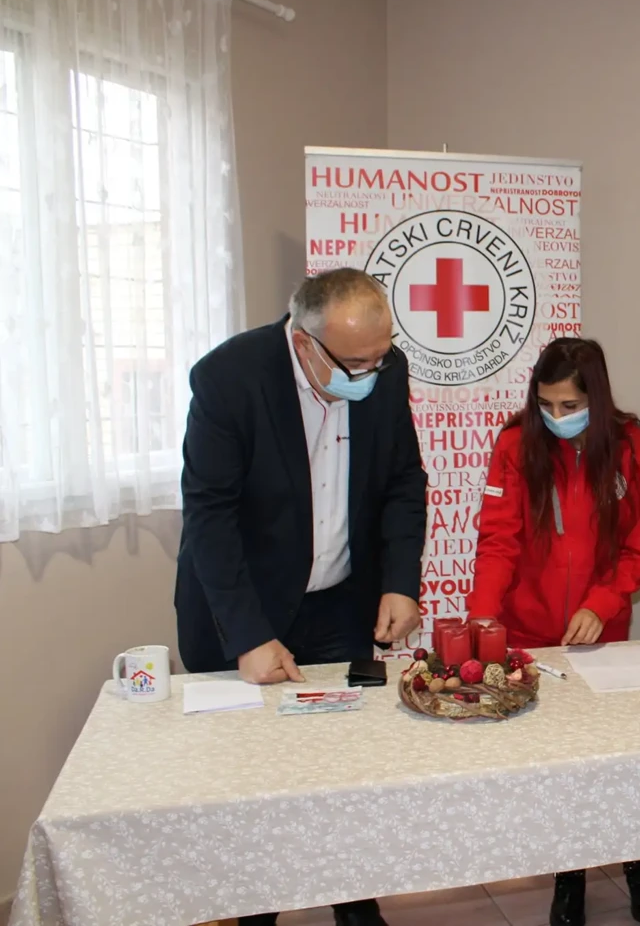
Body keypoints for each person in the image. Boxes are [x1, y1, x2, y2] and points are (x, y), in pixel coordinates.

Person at [176, 268, 427, 926]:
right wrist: (248, 636)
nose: (372, 373)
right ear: (304, 342)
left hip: (339, 603)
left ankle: (356, 903)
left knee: (344, 768)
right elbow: (209, 517)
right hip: (245, 608)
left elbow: (404, 479)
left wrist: (401, 580)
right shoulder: (229, 379)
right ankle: (254, 910)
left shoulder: (384, 369)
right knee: (250, 778)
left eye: (381, 356)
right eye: (356, 363)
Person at [469, 336, 640, 926]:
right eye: (546, 404)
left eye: (569, 405)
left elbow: (639, 550)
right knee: (559, 765)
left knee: (619, 760)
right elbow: (498, 540)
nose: (556, 416)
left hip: (603, 636)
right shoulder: (515, 445)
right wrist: (483, 615)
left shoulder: (635, 451)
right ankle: (569, 878)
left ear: (595, 398)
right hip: (533, 634)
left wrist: (601, 604)